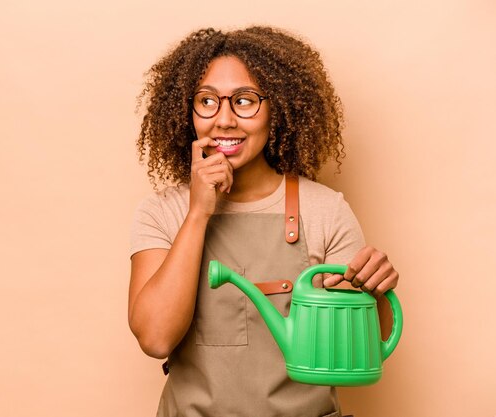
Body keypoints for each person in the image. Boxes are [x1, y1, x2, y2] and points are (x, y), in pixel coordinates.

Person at [128, 26, 399, 417]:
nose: (223, 120)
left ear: (279, 108)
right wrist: (199, 213)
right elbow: (155, 338)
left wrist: (373, 290)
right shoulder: (162, 213)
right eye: (207, 101)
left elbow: (362, 349)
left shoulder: (325, 210)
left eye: (244, 101)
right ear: (187, 112)